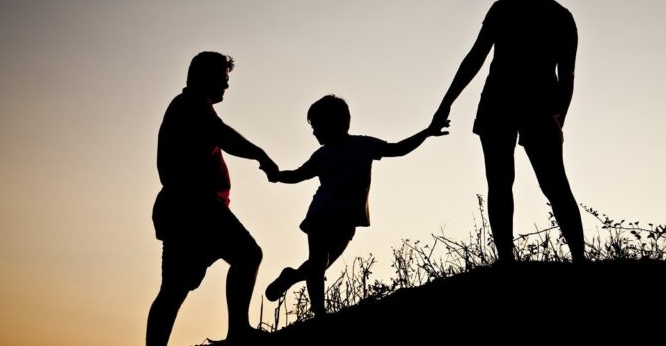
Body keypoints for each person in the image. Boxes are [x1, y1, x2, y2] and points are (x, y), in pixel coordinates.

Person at [431, 0, 585, 263]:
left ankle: (508, 261)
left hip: (507, 104)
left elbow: (475, 58)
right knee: (551, 185)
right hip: (529, 107)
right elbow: (566, 78)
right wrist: (559, 119)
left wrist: (446, 103)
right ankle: (576, 259)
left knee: (506, 184)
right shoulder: (559, 18)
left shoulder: (506, 10)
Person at [264, 94, 448, 316]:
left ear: (339, 122)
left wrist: (427, 132)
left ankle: (291, 277)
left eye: (317, 126)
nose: (314, 132)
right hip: (322, 215)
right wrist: (276, 175)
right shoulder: (322, 155)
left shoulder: (362, 145)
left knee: (319, 264)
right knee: (318, 262)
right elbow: (297, 175)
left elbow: (397, 149)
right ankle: (319, 312)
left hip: (346, 219)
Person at [146, 51, 278, 346]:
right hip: (198, 206)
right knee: (248, 255)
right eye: (223, 79)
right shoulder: (192, 104)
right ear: (205, 78)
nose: (227, 86)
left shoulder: (189, 106)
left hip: (183, 208)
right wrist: (261, 155)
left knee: (173, 290)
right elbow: (223, 136)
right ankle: (239, 332)